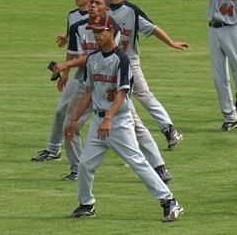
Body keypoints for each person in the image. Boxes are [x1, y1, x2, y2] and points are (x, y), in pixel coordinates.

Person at [64, 13, 183, 223]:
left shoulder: (122, 60)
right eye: (94, 32)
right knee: (85, 164)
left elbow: (122, 93)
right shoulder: (92, 59)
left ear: (111, 32)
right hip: (99, 122)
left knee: (137, 161)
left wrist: (109, 118)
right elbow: (89, 92)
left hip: (118, 122)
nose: (97, 35)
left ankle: (169, 201)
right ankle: (86, 204)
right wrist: (74, 120)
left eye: (100, 31)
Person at [50, 0, 173, 183]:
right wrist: (65, 71)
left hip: (111, 85)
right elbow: (78, 55)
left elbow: (98, 56)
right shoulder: (77, 28)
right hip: (86, 84)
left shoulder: (112, 28)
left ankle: (159, 166)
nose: (92, 6)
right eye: (91, 2)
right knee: (69, 125)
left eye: (98, 3)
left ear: (106, 8)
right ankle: (77, 169)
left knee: (137, 126)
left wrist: (66, 65)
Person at [103, 0, 189, 148]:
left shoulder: (132, 11)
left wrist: (171, 43)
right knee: (120, 100)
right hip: (108, 63)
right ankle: (134, 139)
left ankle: (167, 129)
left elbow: (153, 28)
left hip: (129, 61)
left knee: (142, 95)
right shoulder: (102, 9)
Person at [31, 0, 97, 167]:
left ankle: (140, 154)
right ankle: (53, 150)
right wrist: (66, 73)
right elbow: (73, 45)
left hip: (101, 75)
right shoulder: (73, 16)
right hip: (79, 73)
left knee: (121, 118)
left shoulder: (101, 18)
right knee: (61, 111)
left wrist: (66, 65)